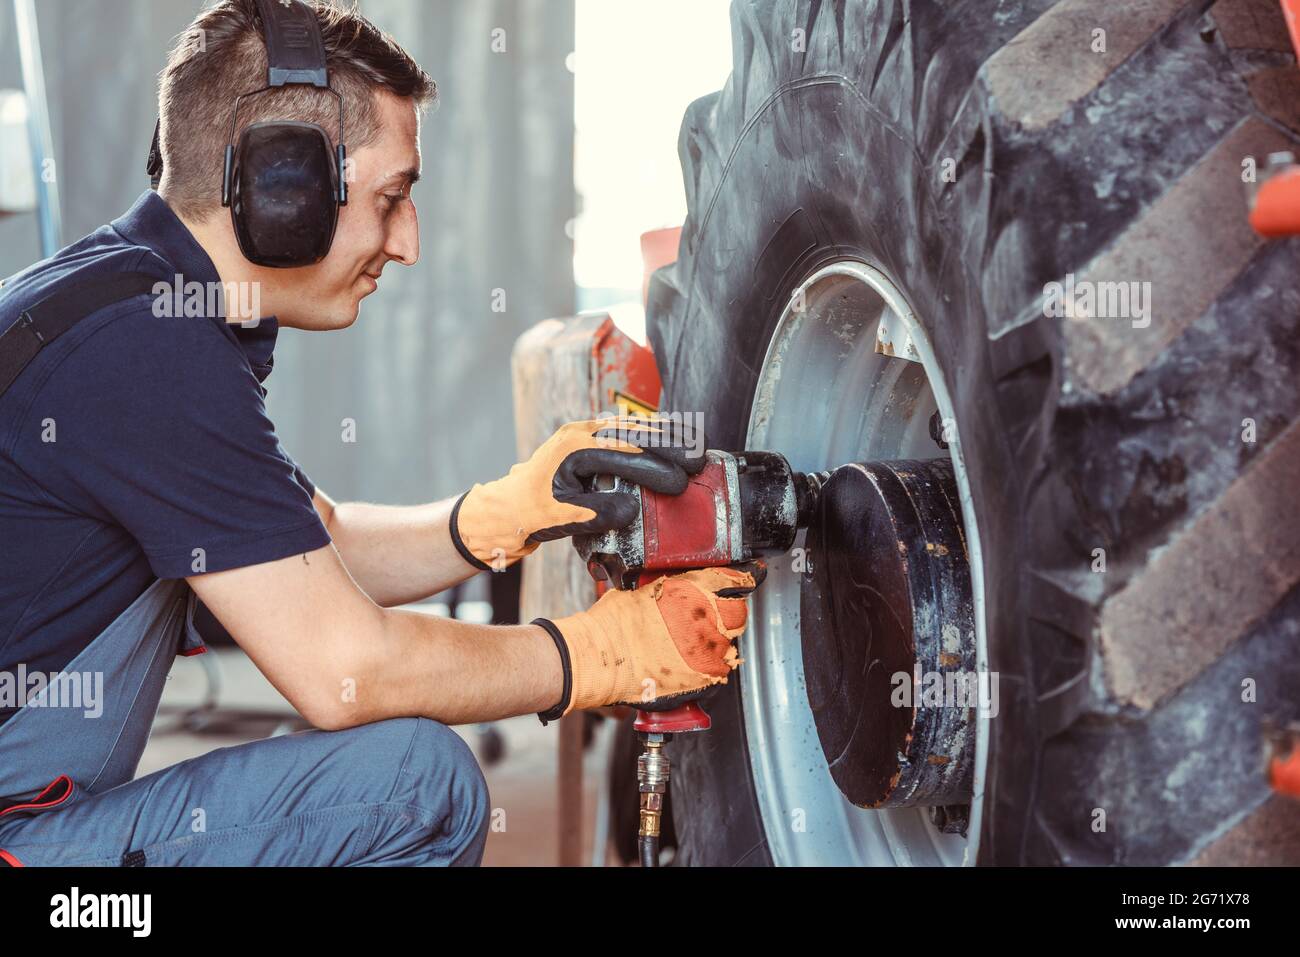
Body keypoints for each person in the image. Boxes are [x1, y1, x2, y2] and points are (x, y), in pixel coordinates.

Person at [0, 0, 755, 867]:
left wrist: (504, 514)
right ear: (284, 186)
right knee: (412, 788)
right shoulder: (147, 350)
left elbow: (318, 549)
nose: (409, 244)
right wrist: (599, 652)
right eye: (393, 198)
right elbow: (347, 670)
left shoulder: (128, 303)